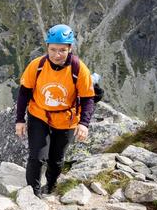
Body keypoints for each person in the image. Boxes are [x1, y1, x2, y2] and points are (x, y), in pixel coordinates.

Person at [15, 24, 96, 197]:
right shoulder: (36, 65)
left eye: (62, 50)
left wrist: (84, 123)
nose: (56, 55)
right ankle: (33, 195)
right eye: (52, 49)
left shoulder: (79, 69)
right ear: (47, 47)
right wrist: (20, 120)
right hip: (39, 114)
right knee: (36, 157)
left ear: (70, 48)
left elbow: (88, 98)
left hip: (66, 119)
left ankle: (50, 187)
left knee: (56, 160)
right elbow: (24, 92)